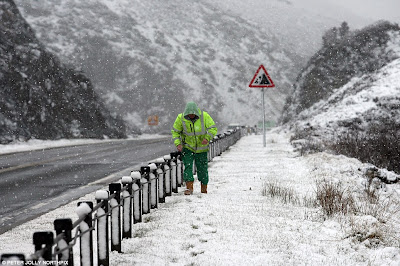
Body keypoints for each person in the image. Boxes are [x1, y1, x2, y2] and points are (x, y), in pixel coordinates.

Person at [171, 102, 218, 195]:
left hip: (202, 149)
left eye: (193, 114)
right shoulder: (181, 118)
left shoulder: (204, 116)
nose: (191, 116)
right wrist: (178, 144)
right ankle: (189, 188)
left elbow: (213, 129)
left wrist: (207, 138)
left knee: (202, 169)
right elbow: (175, 132)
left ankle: (204, 188)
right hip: (188, 148)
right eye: (189, 114)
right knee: (187, 167)